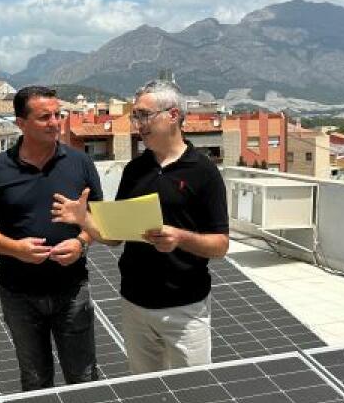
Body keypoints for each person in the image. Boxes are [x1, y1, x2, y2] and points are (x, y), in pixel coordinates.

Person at [52, 79, 228, 373]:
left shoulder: (204, 172)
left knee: (196, 390)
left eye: (144, 115)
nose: (138, 124)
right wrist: (84, 219)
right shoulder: (135, 170)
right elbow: (115, 237)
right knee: (145, 392)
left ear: (173, 115)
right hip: (135, 304)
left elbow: (220, 245)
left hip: (185, 308)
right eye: (136, 116)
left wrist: (180, 238)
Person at [0, 86, 103, 390]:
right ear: (21, 123)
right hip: (19, 294)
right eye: (45, 117)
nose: (55, 122)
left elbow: (99, 221)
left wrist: (81, 242)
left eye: (58, 115)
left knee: (83, 377)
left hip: (72, 290)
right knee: (35, 379)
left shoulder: (80, 163)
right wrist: (14, 248)